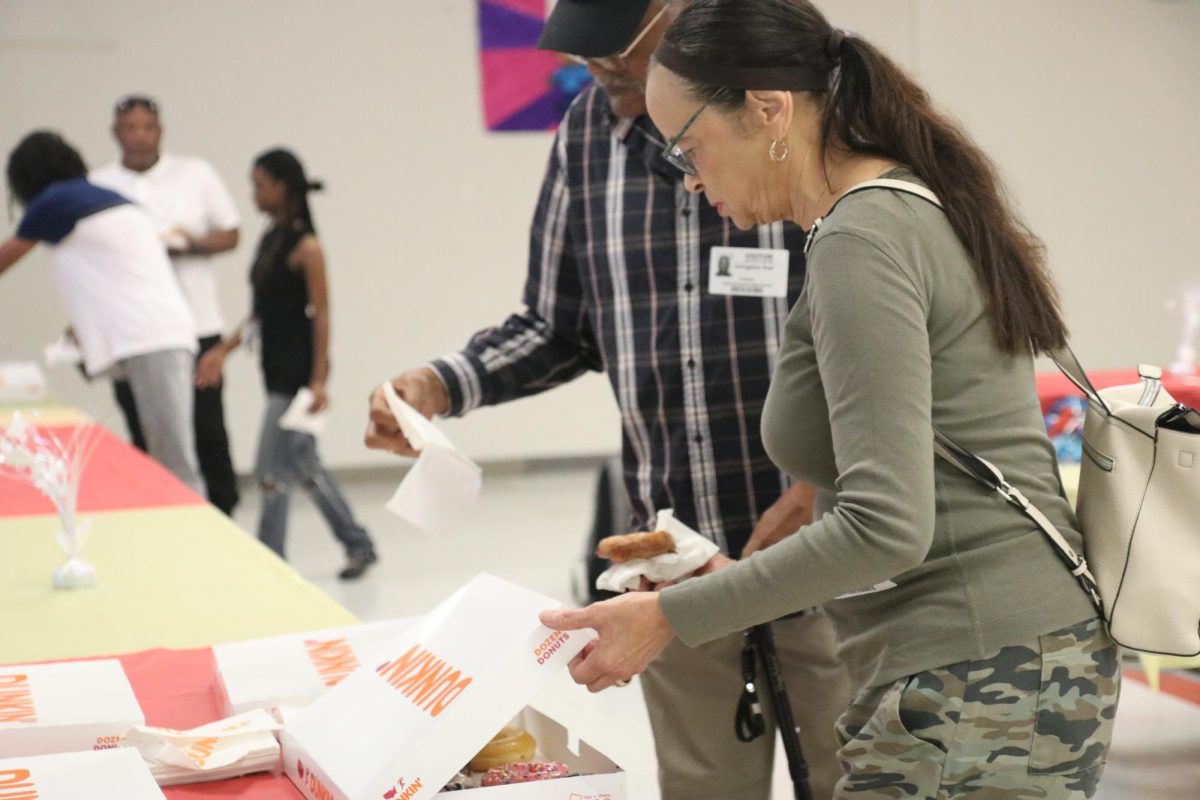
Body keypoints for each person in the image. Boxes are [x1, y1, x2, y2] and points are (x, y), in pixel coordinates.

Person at [541, 1, 1119, 798]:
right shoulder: (901, 206)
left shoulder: (862, 239)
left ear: (769, 111)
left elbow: (887, 526)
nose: (693, 180)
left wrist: (670, 617)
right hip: (998, 659)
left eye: (690, 147)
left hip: (975, 673)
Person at [364, 2, 851, 798]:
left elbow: (877, 337)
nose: (601, 67)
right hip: (676, 556)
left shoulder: (785, 113)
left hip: (818, 547)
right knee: (704, 785)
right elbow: (558, 324)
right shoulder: (589, 132)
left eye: (620, 47)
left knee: (853, 781)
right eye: (583, 51)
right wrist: (441, 383)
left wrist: (817, 486)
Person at [195, 149, 377, 581]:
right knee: (303, 463)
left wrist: (318, 380)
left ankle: (270, 559)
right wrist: (225, 348)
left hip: (295, 375)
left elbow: (323, 315)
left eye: (260, 184)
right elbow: (260, 312)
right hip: (274, 367)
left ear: (283, 187)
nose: (254, 192)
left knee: (270, 467)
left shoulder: (307, 247)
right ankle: (357, 542)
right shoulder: (272, 238)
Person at [1, 131, 203, 494]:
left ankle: (201, 543)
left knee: (174, 461)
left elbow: (6, 258)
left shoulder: (56, 201)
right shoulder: (102, 199)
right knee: (159, 454)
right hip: (151, 334)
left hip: (150, 337)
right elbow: (115, 274)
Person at [91, 95, 242, 516]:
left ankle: (222, 515)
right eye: (130, 128)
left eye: (147, 127)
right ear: (116, 133)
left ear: (160, 131)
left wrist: (190, 244)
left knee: (206, 429)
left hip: (195, 326)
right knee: (145, 430)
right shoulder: (100, 184)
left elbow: (230, 233)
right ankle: (159, 515)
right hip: (133, 330)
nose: (138, 136)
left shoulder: (194, 174)